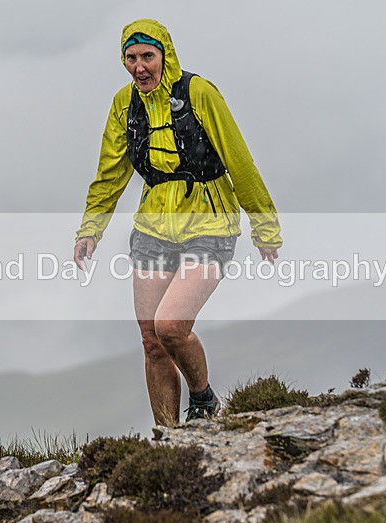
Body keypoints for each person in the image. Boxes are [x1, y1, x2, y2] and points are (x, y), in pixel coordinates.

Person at [74, 19, 282, 426]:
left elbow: (240, 162)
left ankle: (202, 398)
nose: (139, 67)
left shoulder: (199, 94)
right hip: (153, 229)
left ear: (164, 56)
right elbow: (110, 173)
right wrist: (90, 228)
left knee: (170, 326)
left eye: (147, 56)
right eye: (131, 58)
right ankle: (166, 439)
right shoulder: (124, 104)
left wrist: (264, 226)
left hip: (210, 224)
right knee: (151, 341)